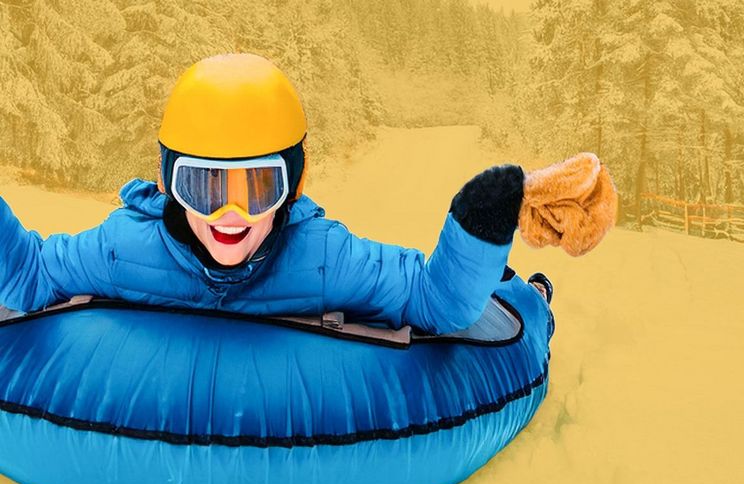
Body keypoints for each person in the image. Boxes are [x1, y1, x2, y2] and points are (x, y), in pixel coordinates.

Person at [0, 53, 616, 334]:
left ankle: (527, 292)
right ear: (168, 185)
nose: (230, 216)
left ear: (292, 187)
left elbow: (436, 303)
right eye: (204, 185)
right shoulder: (121, 246)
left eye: (258, 186)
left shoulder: (325, 256)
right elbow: (28, 275)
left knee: (500, 295)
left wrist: (479, 221)